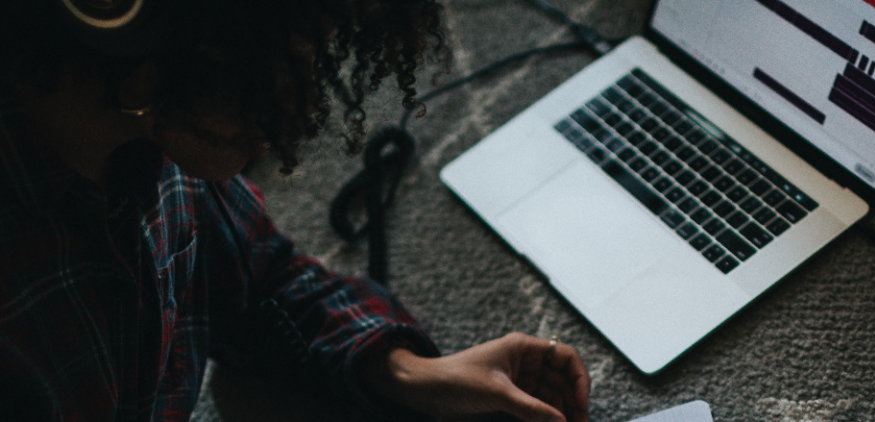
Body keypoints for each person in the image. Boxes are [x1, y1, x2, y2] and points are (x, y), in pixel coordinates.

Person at [0, 1, 591, 421]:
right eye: (277, 67)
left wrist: (410, 375)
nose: (303, 110)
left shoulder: (158, 142)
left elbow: (259, 280)